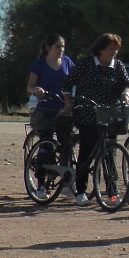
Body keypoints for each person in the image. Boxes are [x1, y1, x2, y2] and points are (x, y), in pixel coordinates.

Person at [61, 33, 129, 206]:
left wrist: (125, 94)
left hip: (110, 114)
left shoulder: (118, 66)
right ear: (101, 49)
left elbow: (126, 84)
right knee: (86, 152)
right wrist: (68, 99)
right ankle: (80, 191)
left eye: (116, 49)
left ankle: (112, 192)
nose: (114, 52)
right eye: (111, 49)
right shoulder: (86, 64)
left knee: (110, 153)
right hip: (88, 114)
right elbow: (68, 82)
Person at [26, 34, 75, 199]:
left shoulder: (68, 63)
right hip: (45, 110)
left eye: (62, 47)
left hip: (64, 111)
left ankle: (67, 183)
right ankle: (41, 185)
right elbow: (30, 86)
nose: (61, 50)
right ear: (48, 48)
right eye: (57, 47)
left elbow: (75, 82)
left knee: (66, 146)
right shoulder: (39, 65)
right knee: (46, 147)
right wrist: (37, 90)